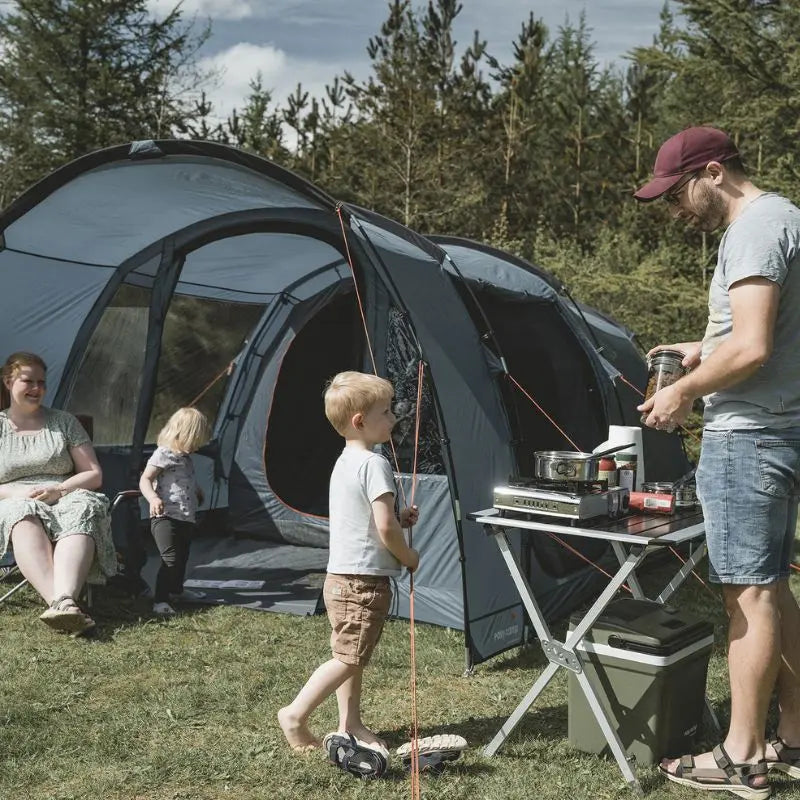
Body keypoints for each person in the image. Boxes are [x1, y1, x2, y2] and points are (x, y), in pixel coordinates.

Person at [635, 126, 800, 799]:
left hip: (749, 437)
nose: (676, 208)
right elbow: (766, 335)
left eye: (677, 193)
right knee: (775, 591)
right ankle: (793, 732)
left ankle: (741, 756)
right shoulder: (786, 216)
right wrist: (703, 348)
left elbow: (756, 345)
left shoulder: (754, 228)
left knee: (748, 597)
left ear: (712, 172)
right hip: (782, 425)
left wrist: (680, 391)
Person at [278, 371, 420, 756]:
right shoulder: (374, 464)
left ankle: (350, 723)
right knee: (347, 657)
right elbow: (385, 528)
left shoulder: (345, 461)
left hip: (340, 578)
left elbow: (371, 517)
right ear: (361, 421)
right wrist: (408, 555)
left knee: (350, 654)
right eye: (386, 412)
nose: (394, 418)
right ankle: (295, 714)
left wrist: (397, 514)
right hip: (363, 583)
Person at [0, 351, 117, 634]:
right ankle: (65, 604)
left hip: (65, 492)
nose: (36, 388)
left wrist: (59, 489)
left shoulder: (64, 422)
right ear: (7, 382)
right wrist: (14, 492)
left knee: (83, 508)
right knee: (21, 512)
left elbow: (93, 474)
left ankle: (62, 603)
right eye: (28, 381)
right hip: (12, 499)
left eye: (42, 382)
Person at [138, 407, 210, 618]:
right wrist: (152, 498)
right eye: (196, 441)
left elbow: (182, 479)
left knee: (183, 555)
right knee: (170, 557)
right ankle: (160, 600)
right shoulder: (164, 453)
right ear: (185, 435)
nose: (198, 447)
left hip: (185, 515)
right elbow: (145, 479)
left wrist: (196, 490)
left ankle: (177, 591)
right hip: (165, 516)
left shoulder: (185, 458)